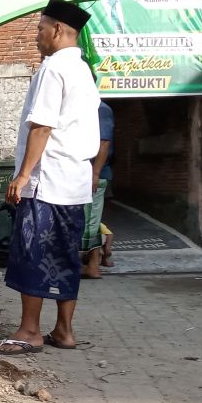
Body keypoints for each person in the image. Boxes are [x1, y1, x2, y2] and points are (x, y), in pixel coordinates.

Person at [0, 0, 101, 355]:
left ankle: (30, 331)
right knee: (65, 254)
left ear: (57, 29)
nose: (36, 37)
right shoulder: (84, 71)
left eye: (40, 29)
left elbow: (42, 126)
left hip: (48, 179)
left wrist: (23, 174)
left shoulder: (53, 68)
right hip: (74, 182)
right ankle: (64, 330)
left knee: (33, 251)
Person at [81, 101, 115, 279]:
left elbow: (104, 142)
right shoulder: (84, 106)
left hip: (95, 175)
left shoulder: (99, 109)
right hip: (87, 174)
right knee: (90, 221)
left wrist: (94, 174)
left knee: (91, 222)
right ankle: (91, 264)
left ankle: (93, 265)